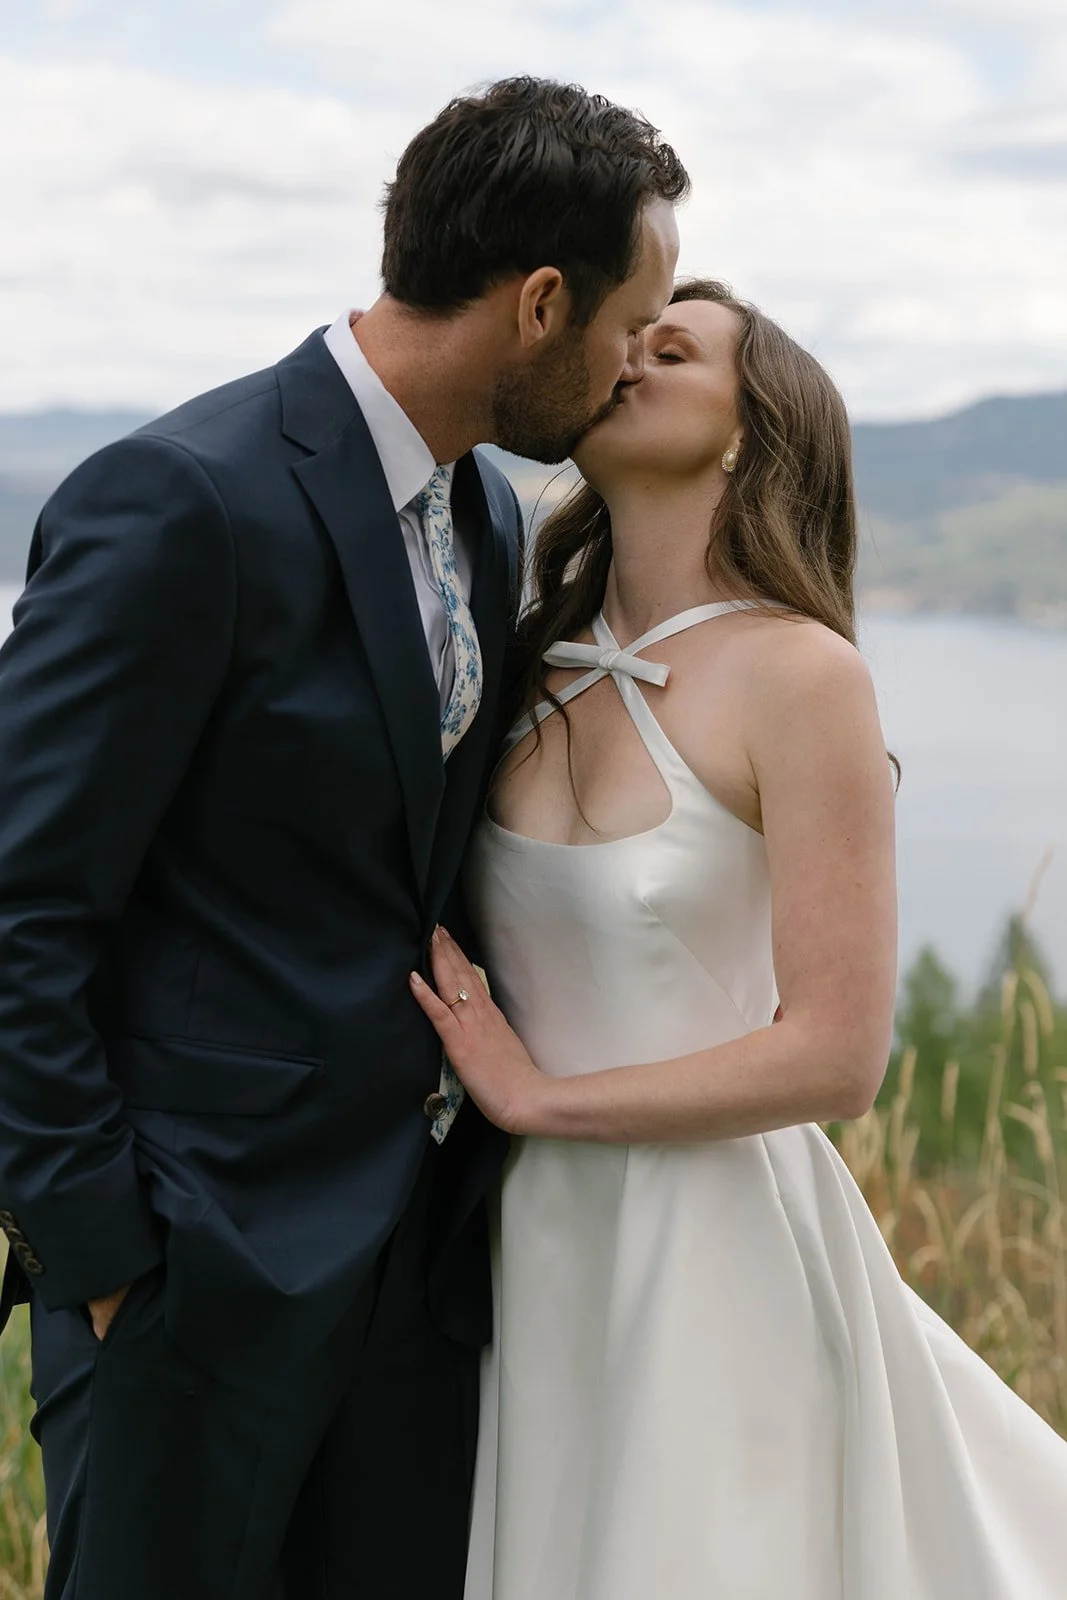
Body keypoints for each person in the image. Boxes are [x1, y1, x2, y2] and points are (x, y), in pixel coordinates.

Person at [0, 79, 687, 1600]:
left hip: (412, 1278)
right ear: (539, 302)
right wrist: (103, 1256)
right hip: (192, 1274)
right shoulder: (185, 500)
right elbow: (17, 906)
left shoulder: (491, 515)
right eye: (631, 322)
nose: (636, 361)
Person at [411, 279, 1067, 1599]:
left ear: (748, 432)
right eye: (625, 339)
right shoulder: (517, 649)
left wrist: (542, 1096)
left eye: (673, 349)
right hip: (515, 1240)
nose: (628, 357)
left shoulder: (803, 675)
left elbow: (835, 1058)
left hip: (711, 1239)